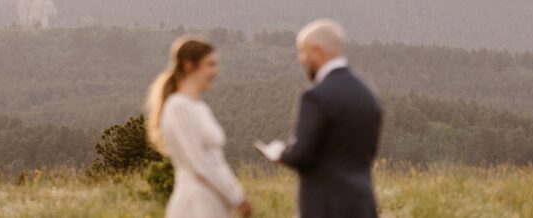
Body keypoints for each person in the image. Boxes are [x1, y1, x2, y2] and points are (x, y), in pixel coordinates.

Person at [273, 19, 383, 217]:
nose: (301, 59)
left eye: (303, 52)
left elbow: (302, 155)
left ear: (318, 51)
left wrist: (281, 154)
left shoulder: (316, 97)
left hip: (325, 207)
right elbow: (369, 151)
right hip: (362, 205)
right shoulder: (368, 94)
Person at [146, 36, 252, 218]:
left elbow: (215, 161)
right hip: (195, 203)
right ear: (189, 65)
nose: (215, 71)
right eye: (210, 64)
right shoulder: (178, 106)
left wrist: (236, 193)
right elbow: (197, 161)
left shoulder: (199, 107)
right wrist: (235, 197)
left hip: (213, 202)